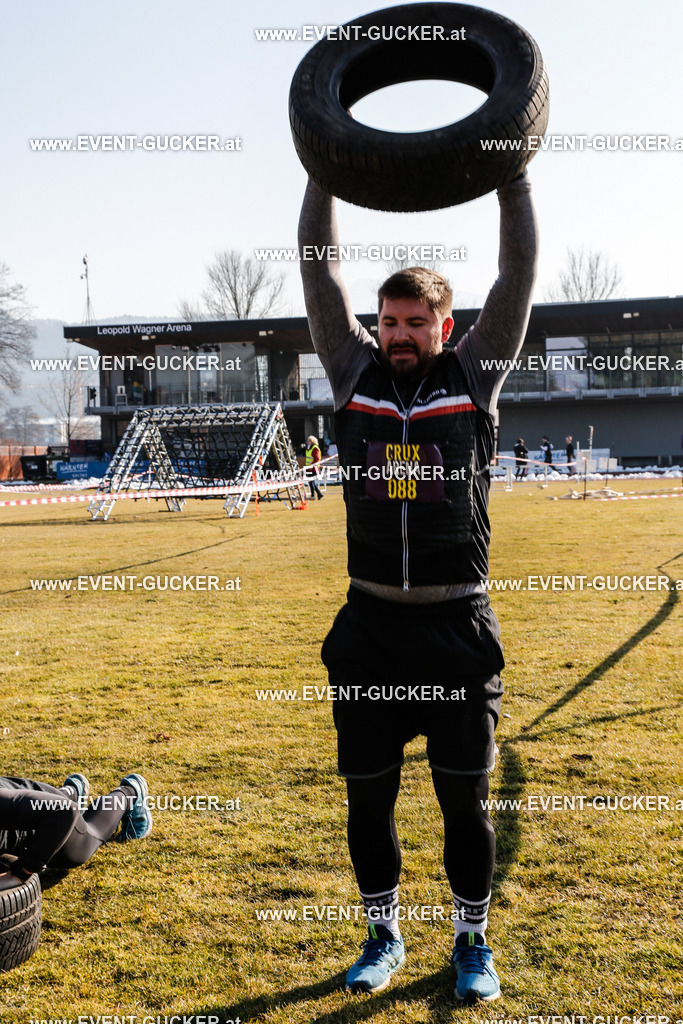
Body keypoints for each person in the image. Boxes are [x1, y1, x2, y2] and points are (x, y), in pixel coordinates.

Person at [299, 167, 538, 1003]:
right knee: (369, 805)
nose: (398, 334)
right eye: (388, 321)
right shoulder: (351, 372)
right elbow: (317, 269)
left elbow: (516, 276)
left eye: (414, 323)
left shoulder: (473, 377)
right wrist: (319, 170)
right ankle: (382, 933)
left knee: (463, 807)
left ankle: (471, 943)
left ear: (446, 325)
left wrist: (511, 177)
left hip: (456, 634)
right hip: (368, 630)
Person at [0, 771, 152, 891]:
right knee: (49, 804)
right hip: (31, 800)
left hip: (48, 821)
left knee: (89, 839)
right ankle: (72, 792)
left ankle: (130, 792)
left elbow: (64, 810)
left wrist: (20, 873)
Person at [305, 434, 324, 500]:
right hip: (308, 468)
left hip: (313, 468)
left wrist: (312, 465)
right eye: (308, 440)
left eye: (309, 440)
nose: (308, 442)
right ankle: (319, 494)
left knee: (311, 481)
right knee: (311, 482)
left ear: (313, 441)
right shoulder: (308, 448)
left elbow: (316, 458)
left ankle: (314, 495)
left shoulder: (315, 448)